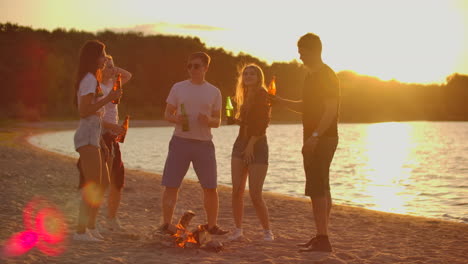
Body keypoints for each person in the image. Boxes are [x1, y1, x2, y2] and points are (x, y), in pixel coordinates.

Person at [273, 33, 340, 252]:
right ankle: (322, 235)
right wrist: (280, 101)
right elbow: (307, 106)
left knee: (317, 188)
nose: (299, 55)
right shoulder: (311, 76)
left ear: (314, 51)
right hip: (314, 137)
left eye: (302, 51)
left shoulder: (327, 75)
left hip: (322, 138)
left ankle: (323, 238)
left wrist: (315, 137)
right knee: (322, 186)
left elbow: (331, 110)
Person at [160, 52, 228, 235]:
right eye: (189, 66)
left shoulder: (214, 91)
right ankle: (166, 225)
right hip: (180, 142)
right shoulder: (178, 88)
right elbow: (167, 114)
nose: (192, 70)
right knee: (171, 185)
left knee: (210, 187)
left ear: (206, 67)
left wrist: (209, 120)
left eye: (196, 66)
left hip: (204, 144)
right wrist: (176, 119)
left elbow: (218, 121)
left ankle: (212, 226)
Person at [73, 40, 122, 241]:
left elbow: (96, 115)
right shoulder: (89, 79)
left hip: (95, 135)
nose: (105, 58)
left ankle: (91, 227)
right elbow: (84, 111)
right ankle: (80, 231)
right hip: (86, 135)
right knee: (93, 184)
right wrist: (109, 97)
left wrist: (102, 142)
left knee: (103, 183)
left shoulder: (94, 78)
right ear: (94, 58)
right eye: (102, 54)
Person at [228, 64, 274, 241]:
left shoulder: (263, 95)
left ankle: (267, 231)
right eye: (245, 73)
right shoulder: (243, 96)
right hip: (240, 143)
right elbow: (236, 121)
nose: (248, 76)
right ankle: (238, 230)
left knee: (255, 194)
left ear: (259, 77)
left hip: (258, 145)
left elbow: (263, 123)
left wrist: (251, 145)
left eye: (252, 73)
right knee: (237, 191)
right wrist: (232, 115)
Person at [99, 55, 132, 232]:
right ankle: (93, 218)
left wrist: (114, 69)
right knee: (100, 180)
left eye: (112, 66)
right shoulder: (97, 88)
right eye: (108, 66)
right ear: (100, 67)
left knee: (117, 180)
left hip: (112, 137)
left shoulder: (114, 85)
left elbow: (128, 75)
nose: (112, 69)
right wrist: (113, 127)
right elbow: (93, 117)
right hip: (100, 136)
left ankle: (111, 218)